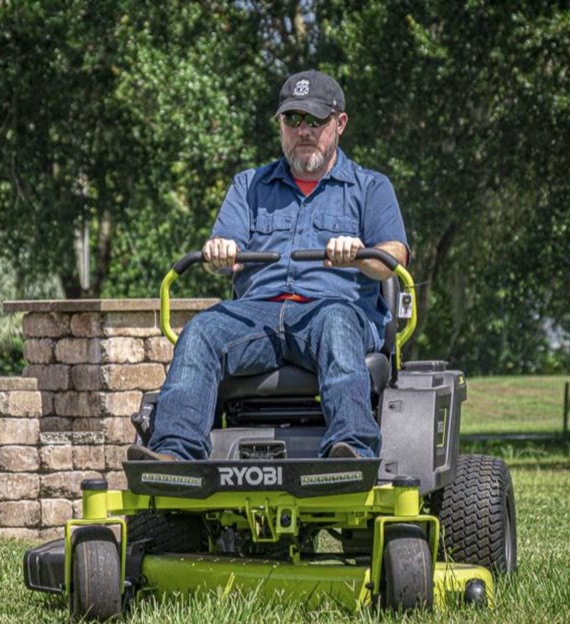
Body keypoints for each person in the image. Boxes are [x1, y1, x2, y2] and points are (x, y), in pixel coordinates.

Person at [128, 70, 409, 462]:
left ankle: (352, 451)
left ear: (339, 123)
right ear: (280, 124)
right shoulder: (248, 186)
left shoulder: (370, 187)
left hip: (331, 311)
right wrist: (219, 253)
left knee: (336, 323)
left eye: (315, 120)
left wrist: (362, 253)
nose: (303, 130)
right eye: (293, 119)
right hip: (256, 316)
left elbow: (394, 254)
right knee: (201, 330)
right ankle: (175, 455)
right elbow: (219, 258)